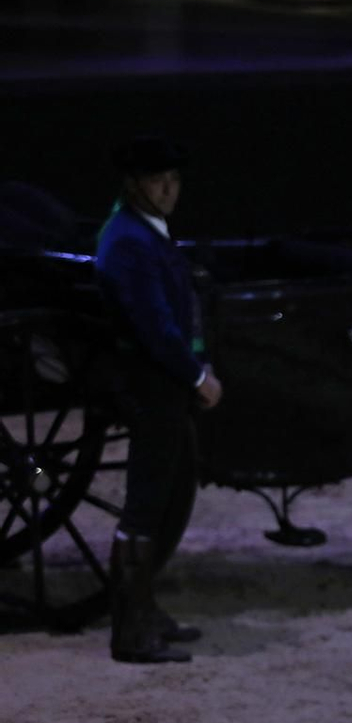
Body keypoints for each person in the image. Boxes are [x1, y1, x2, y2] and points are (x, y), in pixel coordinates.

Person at [94, 135, 219, 664]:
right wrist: (196, 375)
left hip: (163, 380)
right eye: (157, 181)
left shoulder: (145, 232)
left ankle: (143, 608)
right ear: (134, 184)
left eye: (173, 181)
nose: (168, 191)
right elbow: (156, 326)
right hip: (151, 382)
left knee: (165, 496)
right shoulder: (129, 240)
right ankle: (130, 631)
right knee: (145, 506)